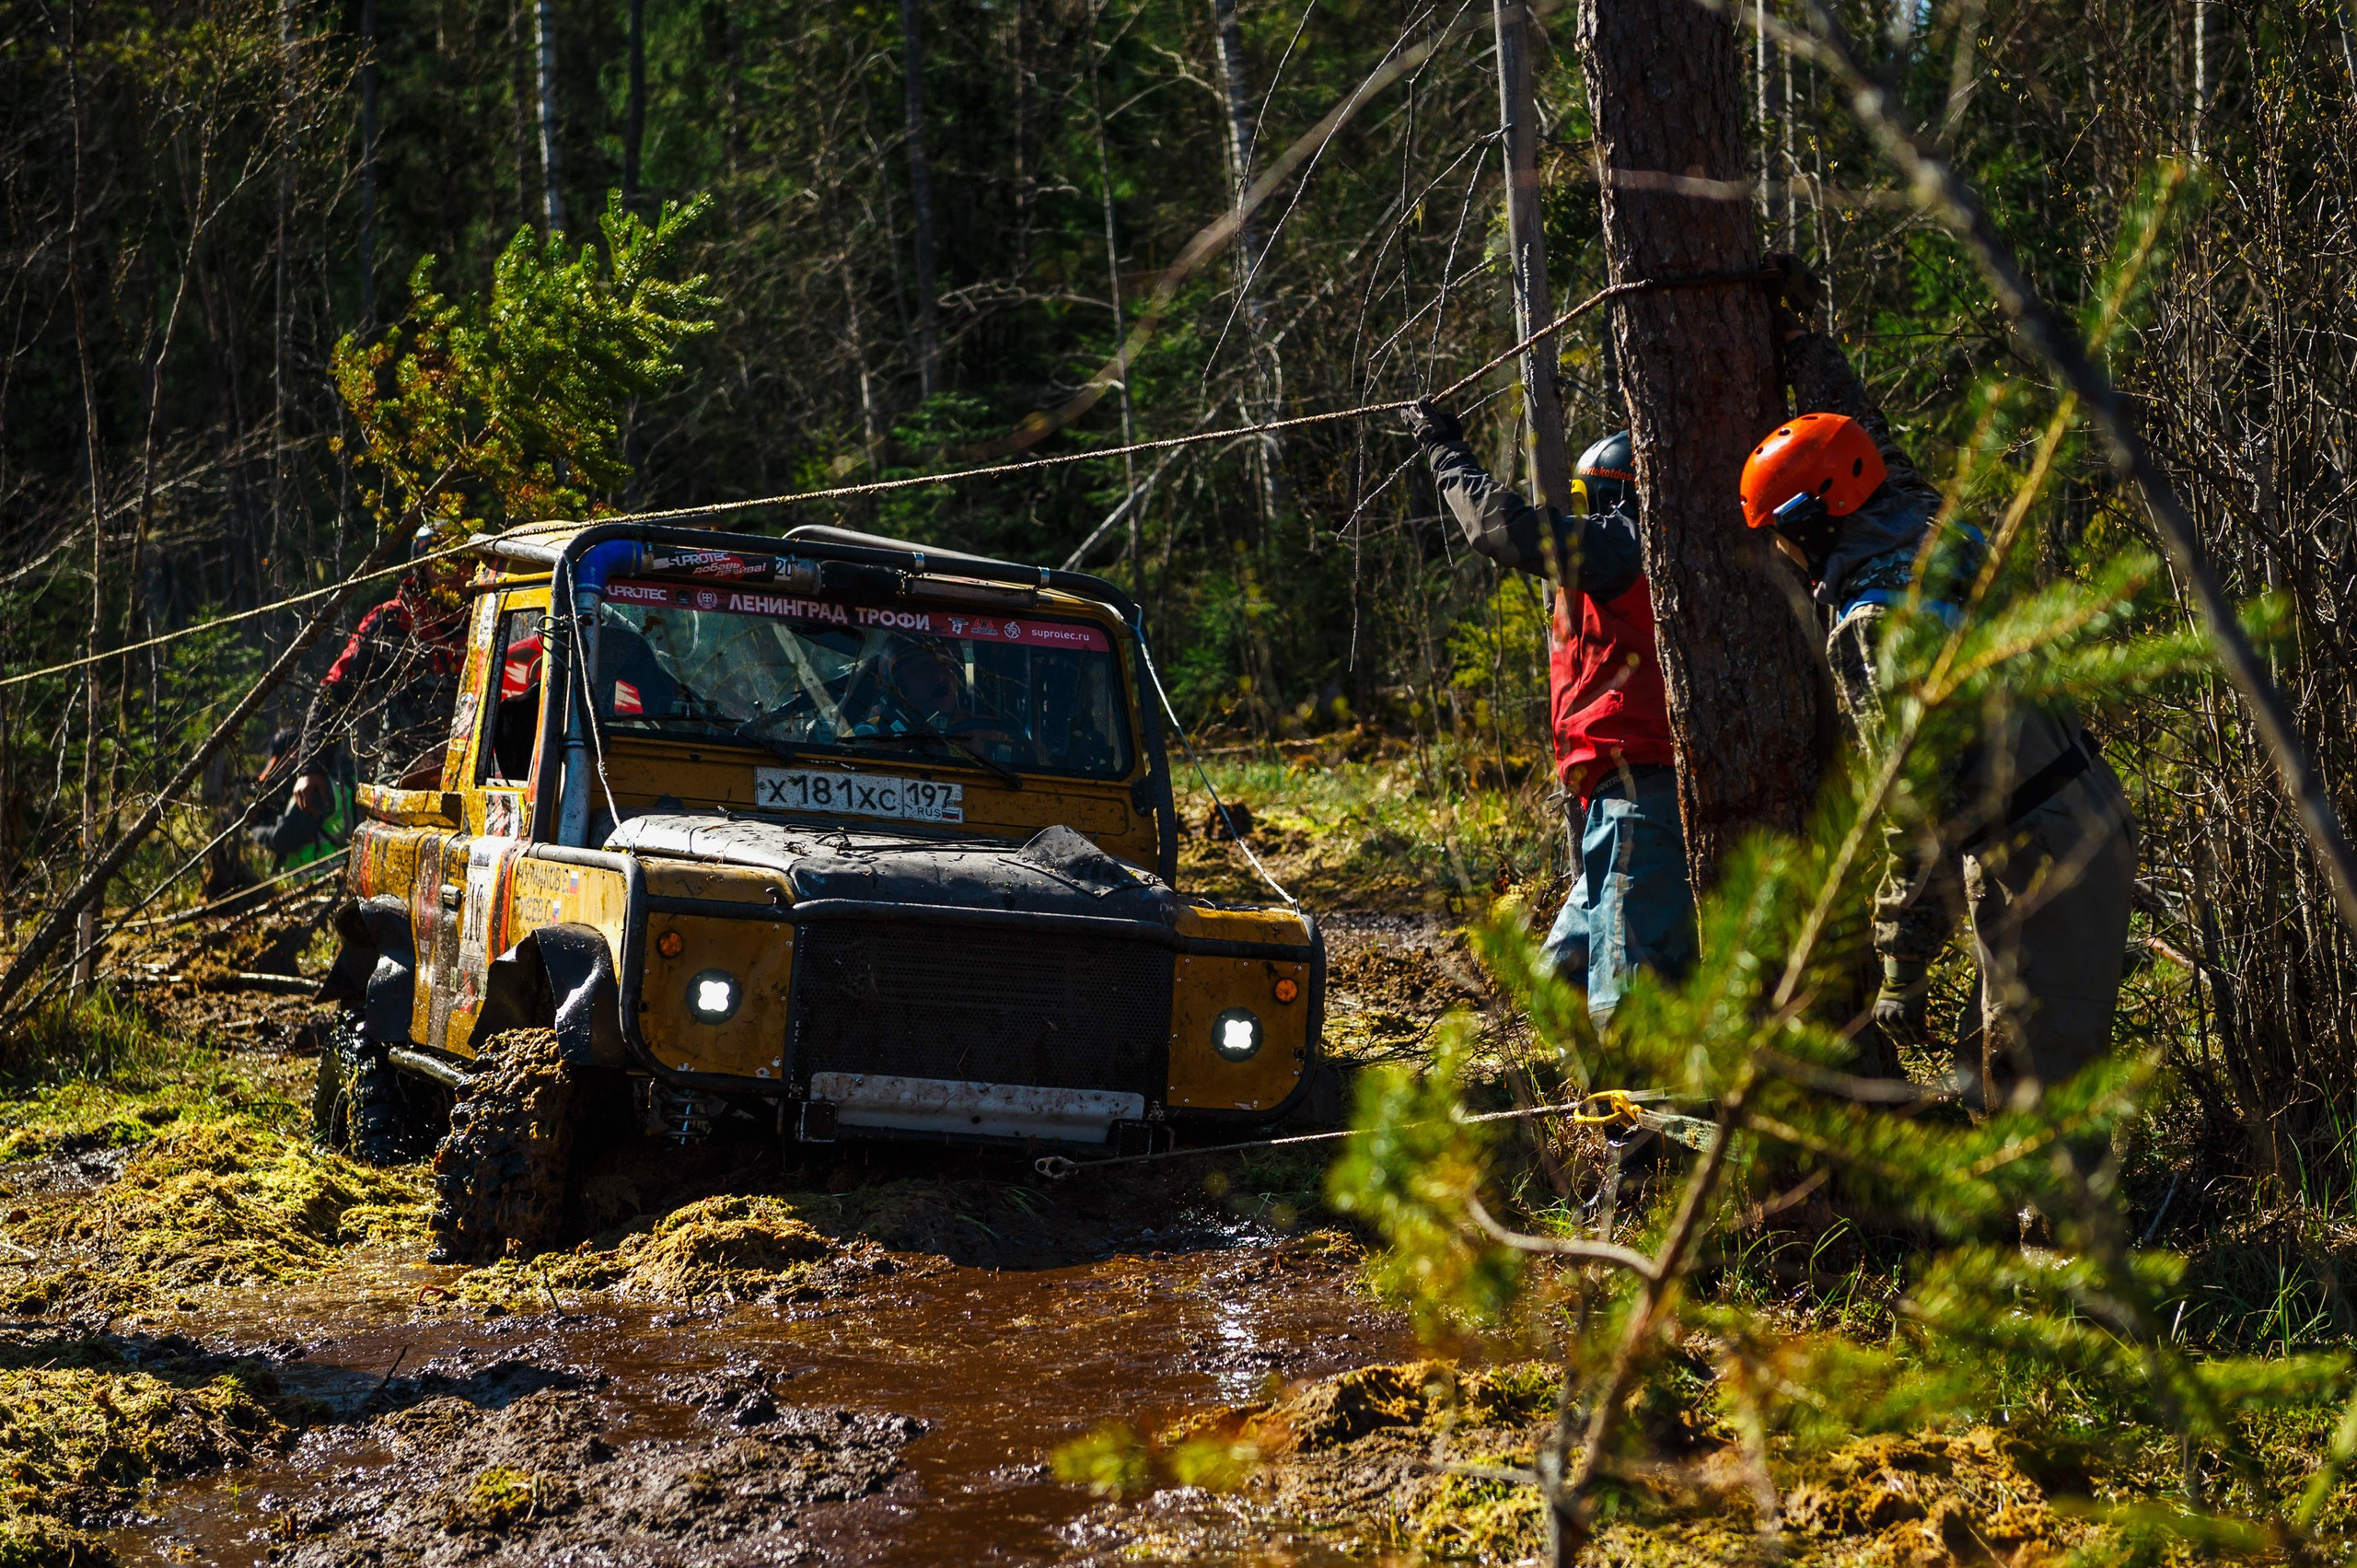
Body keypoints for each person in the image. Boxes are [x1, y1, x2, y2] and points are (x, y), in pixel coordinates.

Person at [1745, 273, 2136, 1105]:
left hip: (2040, 850)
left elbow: (1913, 804)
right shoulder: (1923, 518)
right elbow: (1865, 439)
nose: (1778, 552)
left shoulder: (1873, 623)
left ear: (1810, 525)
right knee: (1985, 1069)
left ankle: (2064, 1205)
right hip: (2072, 807)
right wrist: (1802, 345)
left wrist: (1900, 961)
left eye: (1779, 533)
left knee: (2033, 1098)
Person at [1405, 405, 1696, 1019]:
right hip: (1615, 803)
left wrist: (1444, 451)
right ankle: (1585, 1081)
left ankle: (1635, 1086)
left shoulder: (1627, 547)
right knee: (1559, 982)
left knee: (1624, 1004)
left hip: (1640, 803)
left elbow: (1500, 529)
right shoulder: (1635, 551)